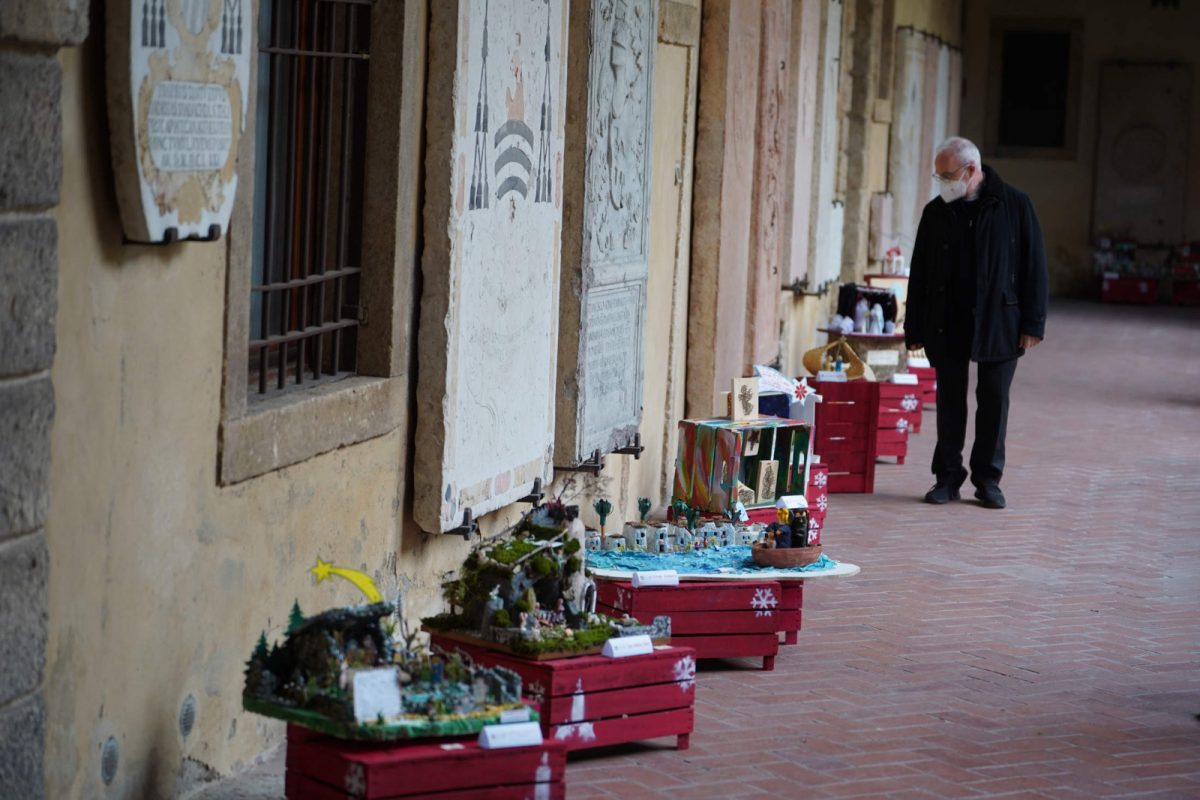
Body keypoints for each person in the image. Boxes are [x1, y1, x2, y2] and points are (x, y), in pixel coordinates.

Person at [905, 137, 1048, 509]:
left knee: (994, 400)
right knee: (950, 399)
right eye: (938, 176)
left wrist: (1033, 323)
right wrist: (914, 327)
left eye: (947, 175)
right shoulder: (936, 211)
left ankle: (988, 479)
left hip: (1000, 318)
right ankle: (947, 477)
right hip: (947, 320)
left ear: (971, 171)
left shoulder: (1015, 205)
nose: (943, 183)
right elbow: (919, 271)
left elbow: (1034, 266)